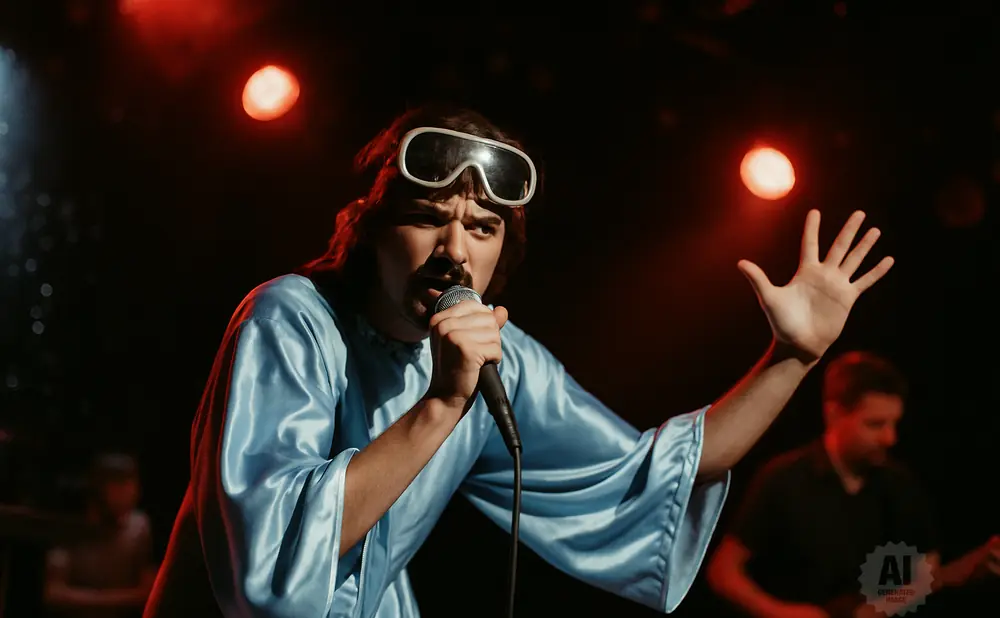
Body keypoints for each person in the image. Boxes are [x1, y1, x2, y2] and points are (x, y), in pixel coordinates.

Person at [142, 104, 895, 618]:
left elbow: (654, 473)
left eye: (482, 226)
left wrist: (792, 356)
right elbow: (267, 567)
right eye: (427, 218)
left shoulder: (499, 358)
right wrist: (440, 406)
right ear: (370, 230)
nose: (454, 250)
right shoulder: (291, 319)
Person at [706, 351, 1000, 618]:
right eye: (875, 424)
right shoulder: (782, 478)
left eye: (893, 424)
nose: (890, 438)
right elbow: (723, 571)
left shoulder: (900, 484)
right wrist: (781, 613)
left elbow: (927, 572)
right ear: (834, 413)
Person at [44, 453, 158, 618]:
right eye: (119, 486)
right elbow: (52, 593)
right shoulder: (73, 525)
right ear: (98, 489)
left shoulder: (139, 526)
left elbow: (148, 592)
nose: (129, 494)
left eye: (131, 486)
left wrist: (91, 599)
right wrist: (114, 599)